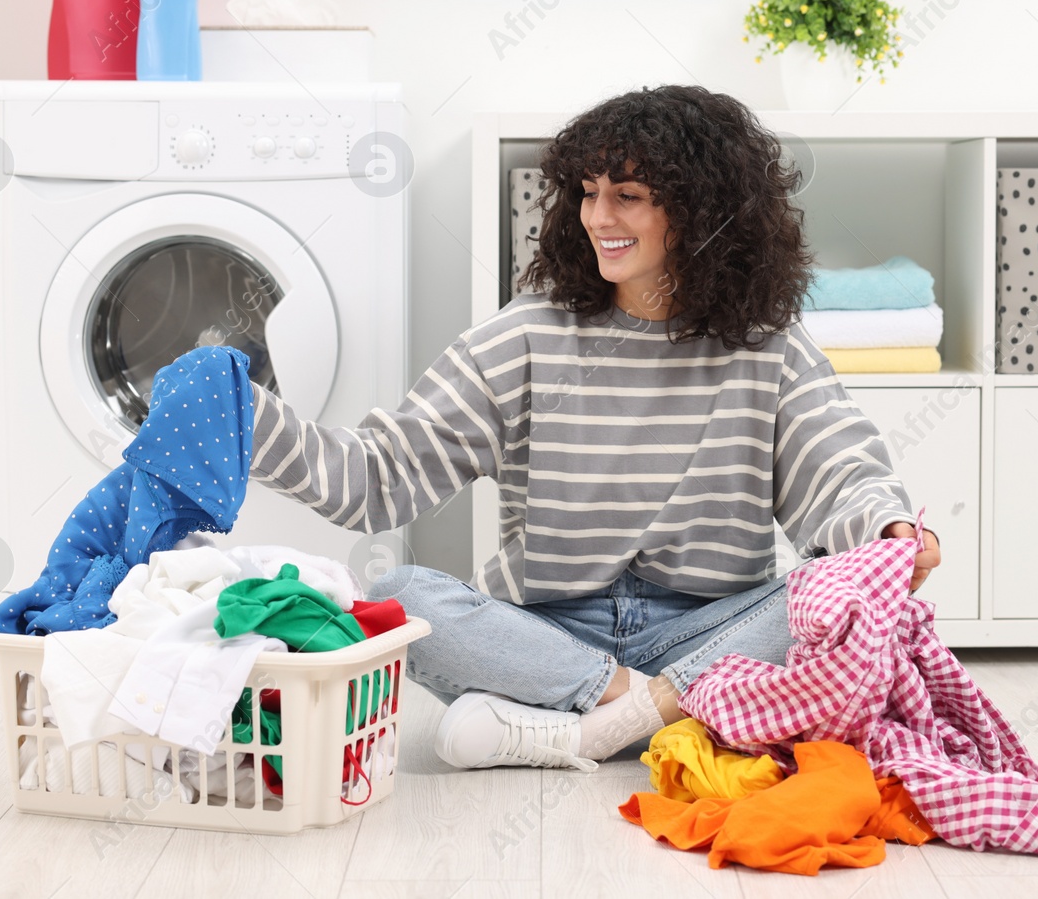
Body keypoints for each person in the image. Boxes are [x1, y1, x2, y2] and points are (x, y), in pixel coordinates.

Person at [246, 84, 940, 772]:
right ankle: (658, 713)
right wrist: (249, 418)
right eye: (587, 191)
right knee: (399, 597)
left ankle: (563, 728)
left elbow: (842, 469)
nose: (597, 215)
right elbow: (378, 479)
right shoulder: (525, 335)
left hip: (706, 629)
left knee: (848, 586)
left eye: (628, 196)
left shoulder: (767, 346)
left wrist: (886, 531)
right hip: (547, 633)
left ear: (702, 210)